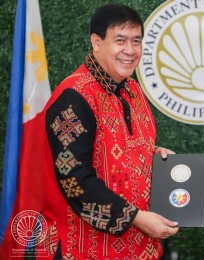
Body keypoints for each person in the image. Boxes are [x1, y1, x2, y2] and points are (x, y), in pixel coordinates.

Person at [42, 3, 178, 259]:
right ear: (96, 42)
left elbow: (121, 148)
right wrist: (135, 218)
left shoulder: (134, 91)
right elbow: (74, 180)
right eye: (120, 40)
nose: (130, 50)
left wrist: (152, 155)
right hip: (87, 249)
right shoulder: (73, 98)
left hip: (145, 249)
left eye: (136, 41)